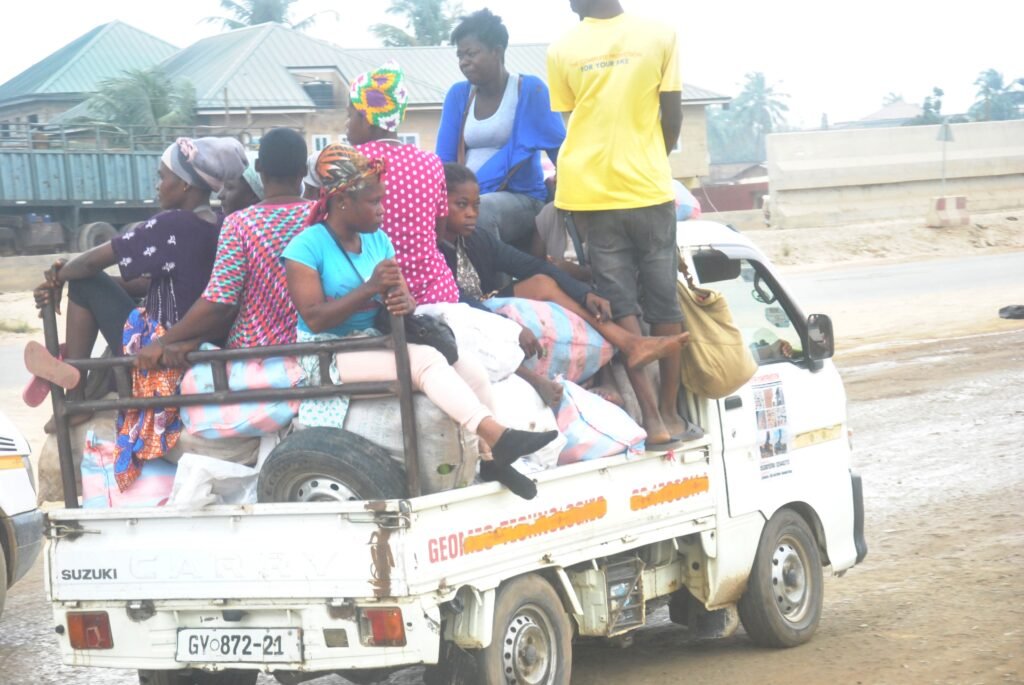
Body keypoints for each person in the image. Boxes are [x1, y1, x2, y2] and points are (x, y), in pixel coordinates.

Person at [283, 144, 555, 499]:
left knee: (468, 367)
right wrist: (370, 289)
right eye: (374, 201)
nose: (382, 210)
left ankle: (492, 460)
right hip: (330, 352)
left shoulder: (378, 240)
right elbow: (314, 318)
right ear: (342, 201)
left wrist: (402, 300)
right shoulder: (306, 246)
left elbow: (404, 298)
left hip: (375, 337)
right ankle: (496, 434)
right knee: (426, 362)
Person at [32, 136, 247, 431]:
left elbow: (91, 262)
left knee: (85, 284)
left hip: (159, 347)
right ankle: (80, 374)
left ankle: (76, 396)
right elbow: (158, 285)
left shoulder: (172, 224)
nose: (158, 185)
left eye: (163, 177)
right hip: (194, 343)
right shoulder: (221, 223)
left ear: (185, 184)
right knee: (95, 284)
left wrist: (60, 275)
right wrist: (89, 281)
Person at [547, 0, 688, 446]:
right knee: (665, 305)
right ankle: (672, 414)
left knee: (621, 305)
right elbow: (673, 116)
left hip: (591, 194)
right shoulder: (660, 35)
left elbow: (577, 125)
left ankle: (652, 419)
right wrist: (650, 160)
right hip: (648, 190)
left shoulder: (561, 49)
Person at [440, 163, 688, 373]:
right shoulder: (427, 249)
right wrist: (509, 327)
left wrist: (584, 293)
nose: (472, 213)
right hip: (456, 318)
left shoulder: (478, 239)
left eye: (476, 205)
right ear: (437, 203)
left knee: (542, 281)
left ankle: (630, 343)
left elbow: (533, 265)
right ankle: (630, 344)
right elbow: (456, 298)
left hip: (484, 303)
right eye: (462, 205)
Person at [135, 127, 310, 369]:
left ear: (258, 168)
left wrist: (164, 342)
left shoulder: (239, 224)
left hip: (251, 357)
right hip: (310, 351)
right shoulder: (322, 216)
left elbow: (220, 301)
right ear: (304, 171)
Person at [436, 8, 565, 251]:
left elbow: (563, 154)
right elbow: (444, 162)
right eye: (460, 55)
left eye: (471, 53)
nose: (464, 62)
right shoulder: (458, 95)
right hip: (466, 197)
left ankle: (498, 289)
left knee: (481, 213)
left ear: (497, 51)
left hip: (522, 198)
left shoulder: (529, 91)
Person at [345, 61, 460, 307]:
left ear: (367, 119)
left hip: (376, 295)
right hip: (435, 291)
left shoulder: (352, 162)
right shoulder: (431, 162)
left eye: (349, 116)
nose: (346, 126)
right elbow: (438, 232)